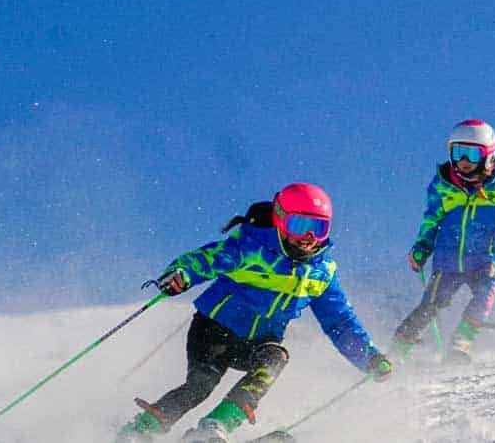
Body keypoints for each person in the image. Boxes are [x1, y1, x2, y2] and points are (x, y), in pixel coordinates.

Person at [119, 184, 392, 443]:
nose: (310, 237)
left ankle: (216, 426)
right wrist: (181, 275)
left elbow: (339, 322)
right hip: (214, 330)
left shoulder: (321, 273)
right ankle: (141, 430)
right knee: (201, 385)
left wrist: (368, 357)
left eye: (319, 228)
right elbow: (206, 259)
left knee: (274, 360)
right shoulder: (251, 248)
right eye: (300, 225)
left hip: (259, 342)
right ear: (281, 220)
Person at [392, 120, 495, 364]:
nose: (463, 160)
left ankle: (461, 342)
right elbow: (431, 220)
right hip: (449, 258)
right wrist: (422, 246)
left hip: (487, 256)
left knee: (484, 296)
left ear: (488, 155)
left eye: (472, 154)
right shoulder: (443, 184)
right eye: (458, 152)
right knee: (432, 302)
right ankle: (400, 346)